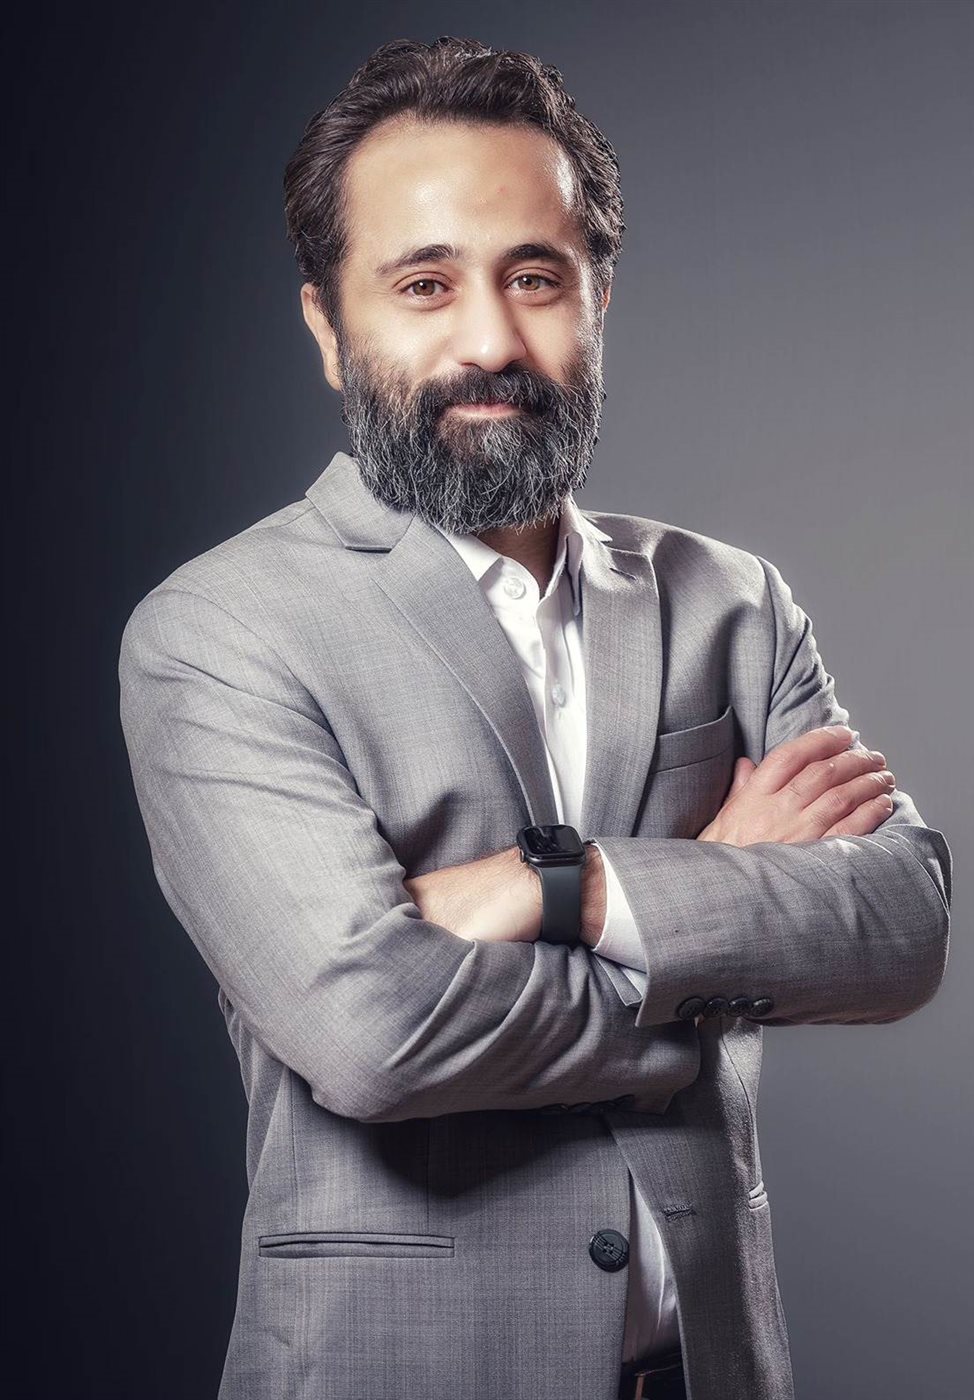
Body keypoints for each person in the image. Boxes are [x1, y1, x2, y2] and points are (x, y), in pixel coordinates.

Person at [117, 36, 952, 1400]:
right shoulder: (219, 632)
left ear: (597, 297)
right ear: (327, 327)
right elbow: (371, 1033)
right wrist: (708, 938)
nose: (491, 342)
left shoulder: (731, 600)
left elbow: (903, 929)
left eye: (535, 277)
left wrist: (561, 888)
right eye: (424, 285)